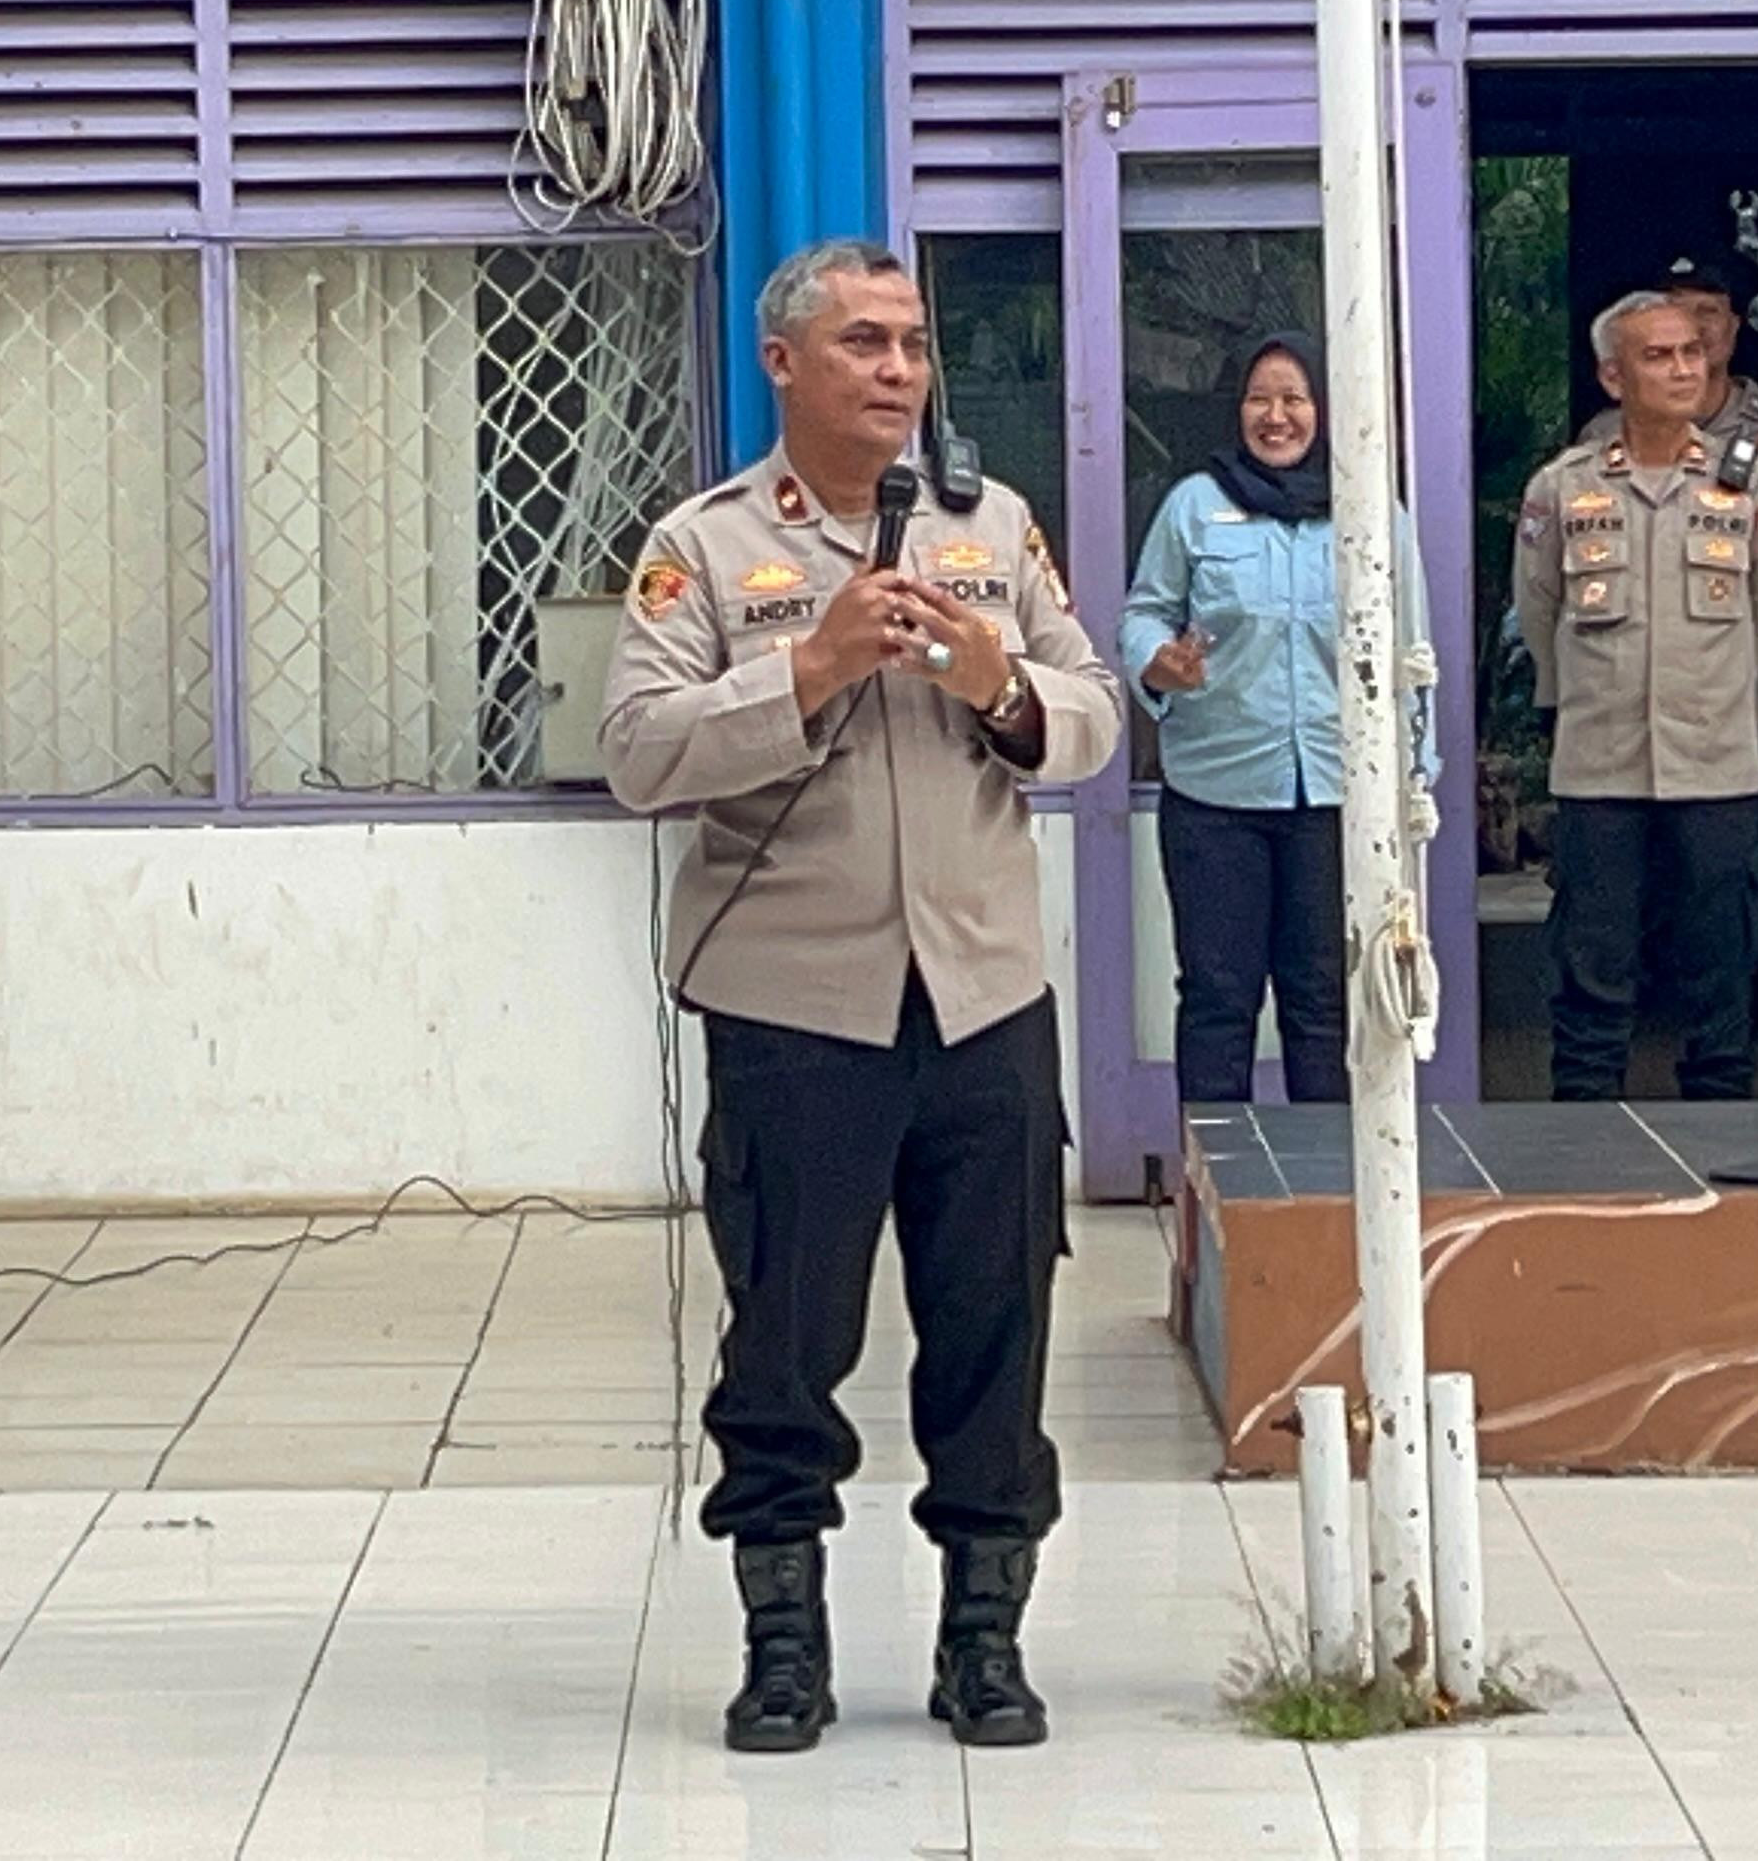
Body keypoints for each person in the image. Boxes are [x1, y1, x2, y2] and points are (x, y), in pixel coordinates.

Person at [601, 238, 1123, 1751]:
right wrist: (809, 671)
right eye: (864, 344)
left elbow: (1094, 718)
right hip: (794, 1007)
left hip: (981, 1002)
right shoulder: (701, 550)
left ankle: (983, 1641)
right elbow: (635, 753)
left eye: (912, 344)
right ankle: (783, 1647)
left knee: (994, 1329)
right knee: (785, 1340)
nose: (900, 372)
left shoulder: (993, 526)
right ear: (785, 364)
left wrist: (1003, 691)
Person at [1117, 330, 1435, 1105]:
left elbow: (1410, 653)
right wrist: (1160, 665)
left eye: (1295, 398)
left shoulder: (1370, 509)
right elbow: (1144, 616)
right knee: (1219, 1003)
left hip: (1336, 799)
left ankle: (1319, 1204)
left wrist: (1414, 778)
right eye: (1259, 398)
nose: (1276, 416)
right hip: (1216, 800)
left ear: (1325, 409)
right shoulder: (1194, 505)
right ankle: (1216, 1199)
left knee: (1323, 1004)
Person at [1518, 291, 1758, 1101]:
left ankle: (1720, 1128)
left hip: (1717, 766)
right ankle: (1584, 1142)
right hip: (1601, 768)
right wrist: (1583, 707)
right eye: (1658, 356)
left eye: (1692, 354)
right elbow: (1540, 615)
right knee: (1593, 967)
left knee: (1720, 968)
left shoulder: (1751, 483)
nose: (1681, 368)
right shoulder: (1563, 487)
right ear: (1611, 375)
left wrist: (1728, 706)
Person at [1579, 258, 1758, 773]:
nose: (1694, 326)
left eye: (1709, 311)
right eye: (1677, 311)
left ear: (1735, 327)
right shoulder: (1601, 438)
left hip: (1756, 697)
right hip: (1631, 702)